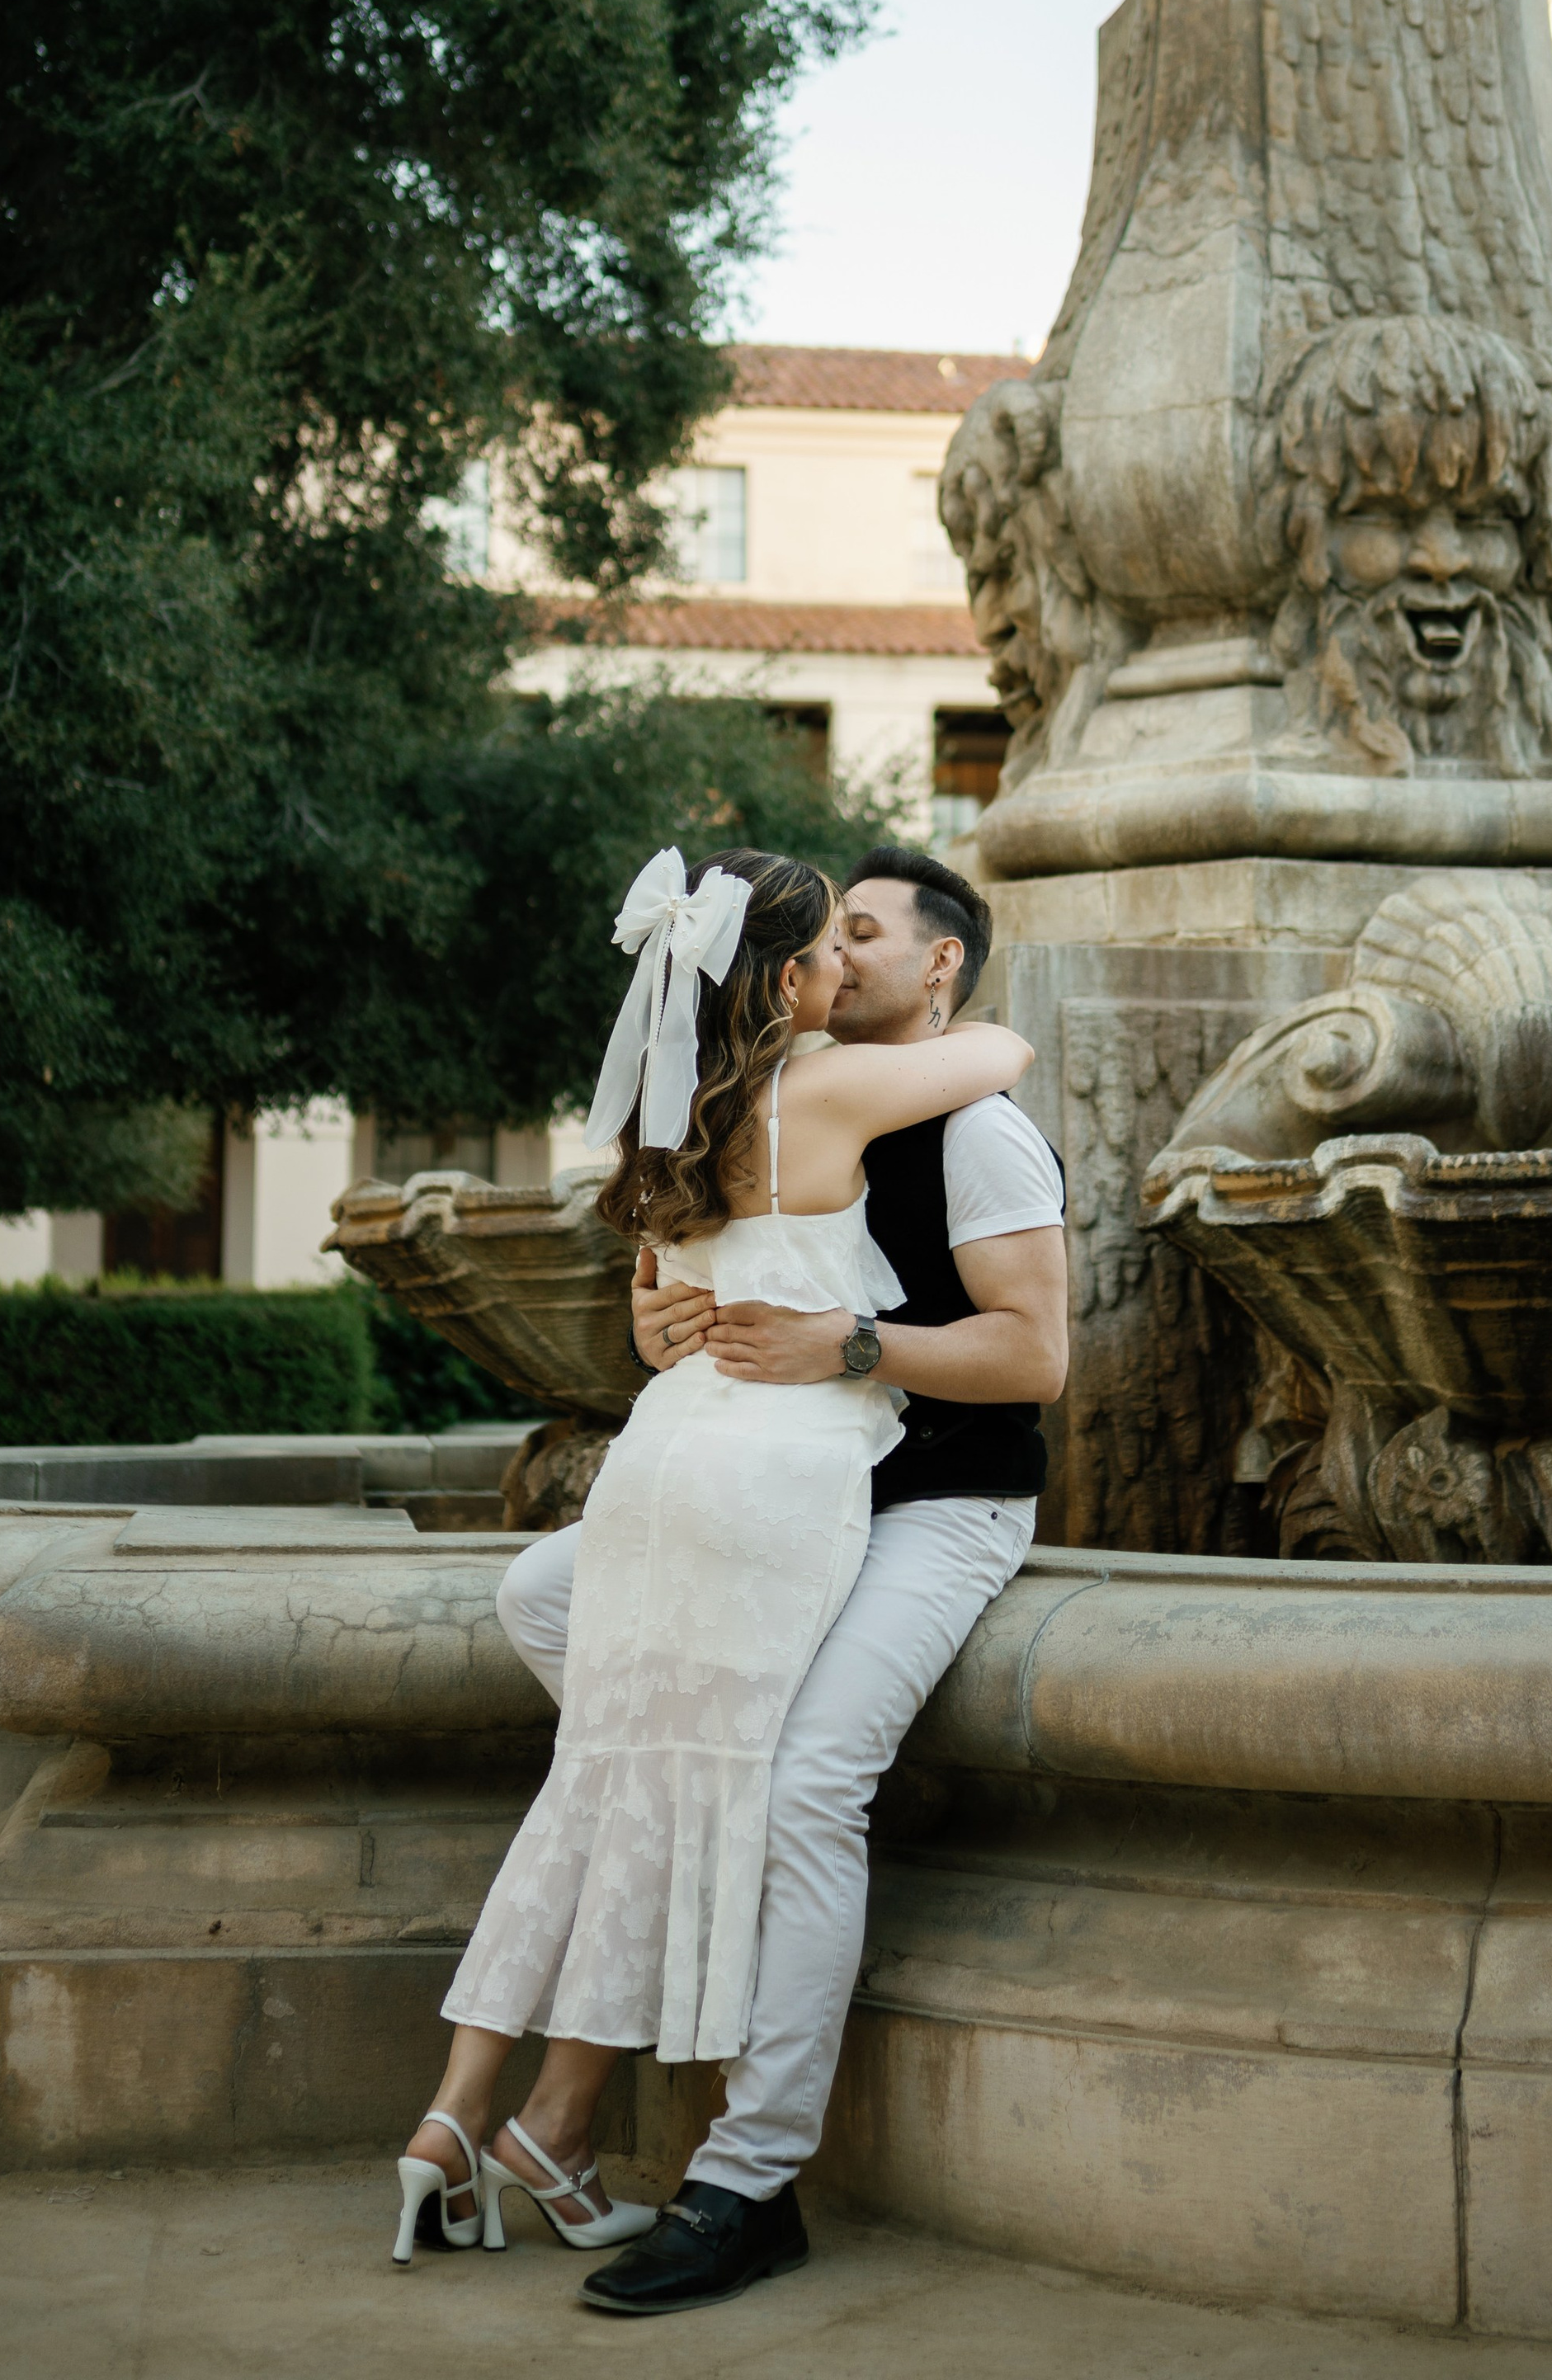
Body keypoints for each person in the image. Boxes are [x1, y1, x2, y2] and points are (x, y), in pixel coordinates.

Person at [391, 844, 1035, 2279]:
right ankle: (573, 2079)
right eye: (831, 936)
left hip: (940, 1500)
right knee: (548, 1608)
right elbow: (684, 1283)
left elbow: (1039, 1358)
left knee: (801, 1782)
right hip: (779, 1478)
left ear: (939, 963)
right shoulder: (774, 1101)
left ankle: (747, 2181)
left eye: (870, 933)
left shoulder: (979, 1129)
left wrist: (846, 1344)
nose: (845, 956)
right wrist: (665, 1326)